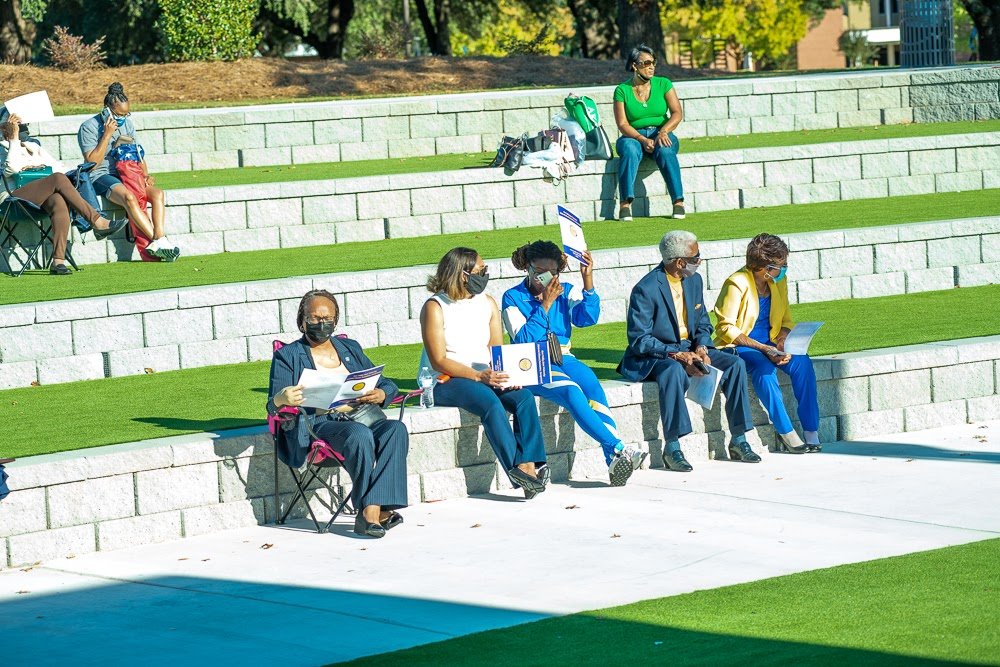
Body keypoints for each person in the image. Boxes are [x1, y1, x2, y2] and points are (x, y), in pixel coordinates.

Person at [501, 240, 646, 486]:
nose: (545, 279)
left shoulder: (566, 290)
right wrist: (545, 305)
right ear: (527, 267)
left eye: (552, 273)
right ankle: (618, 447)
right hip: (530, 362)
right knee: (571, 390)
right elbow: (522, 339)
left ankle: (612, 459)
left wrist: (587, 281)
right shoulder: (512, 297)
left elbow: (587, 318)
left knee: (592, 385)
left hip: (563, 356)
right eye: (539, 272)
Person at [267, 289, 409, 538]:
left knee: (395, 430)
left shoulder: (349, 348)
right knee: (359, 434)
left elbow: (387, 383)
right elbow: (273, 405)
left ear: (336, 320)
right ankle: (373, 512)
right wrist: (282, 398)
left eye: (328, 319)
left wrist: (381, 395)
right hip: (318, 424)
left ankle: (373, 508)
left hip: (362, 415)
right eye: (314, 318)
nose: (322, 324)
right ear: (302, 321)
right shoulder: (287, 356)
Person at [618, 230, 757, 472]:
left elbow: (703, 321)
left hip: (691, 348)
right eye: (696, 258)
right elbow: (639, 339)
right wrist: (677, 355)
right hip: (658, 355)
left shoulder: (694, 280)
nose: (699, 262)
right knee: (673, 372)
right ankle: (672, 447)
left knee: (735, 365)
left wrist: (702, 346)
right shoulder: (646, 288)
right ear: (680, 262)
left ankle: (739, 439)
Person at [419, 247, 549, 499]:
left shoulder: (487, 303)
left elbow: (495, 350)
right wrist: (479, 376)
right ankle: (518, 470)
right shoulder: (435, 307)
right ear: (462, 274)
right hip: (446, 379)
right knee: (489, 402)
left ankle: (531, 464)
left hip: (484, 375)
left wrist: (508, 377)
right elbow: (438, 360)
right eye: (481, 271)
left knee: (523, 398)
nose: (485, 275)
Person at [714, 234, 821, 453]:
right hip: (744, 346)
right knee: (764, 371)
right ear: (764, 268)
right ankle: (786, 432)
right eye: (781, 266)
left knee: (803, 364)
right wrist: (764, 349)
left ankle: (812, 430)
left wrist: (782, 339)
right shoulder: (736, 283)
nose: (784, 270)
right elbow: (725, 328)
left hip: (772, 342)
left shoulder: (778, 282)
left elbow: (786, 320)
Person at [1, 116, 127, 275]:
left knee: (58, 200)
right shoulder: (2, 148)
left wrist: (38, 165)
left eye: (21, 124)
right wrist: (13, 140)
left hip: (40, 197)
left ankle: (58, 261)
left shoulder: (33, 146)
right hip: (13, 200)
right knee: (58, 179)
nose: (21, 127)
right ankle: (97, 220)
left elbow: (59, 168)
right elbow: (11, 168)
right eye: (16, 125)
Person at [78, 82, 180, 261]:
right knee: (129, 198)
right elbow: (91, 163)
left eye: (126, 114)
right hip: (101, 176)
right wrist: (107, 134)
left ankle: (160, 237)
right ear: (107, 110)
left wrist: (145, 174)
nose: (123, 118)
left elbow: (137, 153)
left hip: (127, 173)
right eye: (119, 114)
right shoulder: (88, 127)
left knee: (157, 194)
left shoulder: (128, 124)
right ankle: (158, 241)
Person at [613, 44, 685, 222]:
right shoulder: (621, 90)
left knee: (666, 149)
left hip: (662, 132)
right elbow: (622, 123)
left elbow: (677, 113)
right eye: (646, 63)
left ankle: (678, 201)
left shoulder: (664, 84)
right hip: (633, 136)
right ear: (634, 66)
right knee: (629, 149)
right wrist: (641, 138)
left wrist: (663, 131)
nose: (651, 66)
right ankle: (625, 204)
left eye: (653, 62)